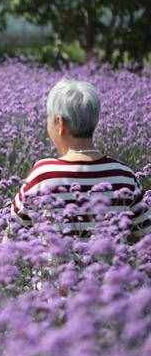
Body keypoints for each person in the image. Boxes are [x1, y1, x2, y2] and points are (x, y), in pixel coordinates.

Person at [11, 79, 150, 241]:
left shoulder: (42, 175)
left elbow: (12, 234)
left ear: (59, 123)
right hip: (111, 265)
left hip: (54, 266)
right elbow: (145, 238)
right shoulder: (124, 176)